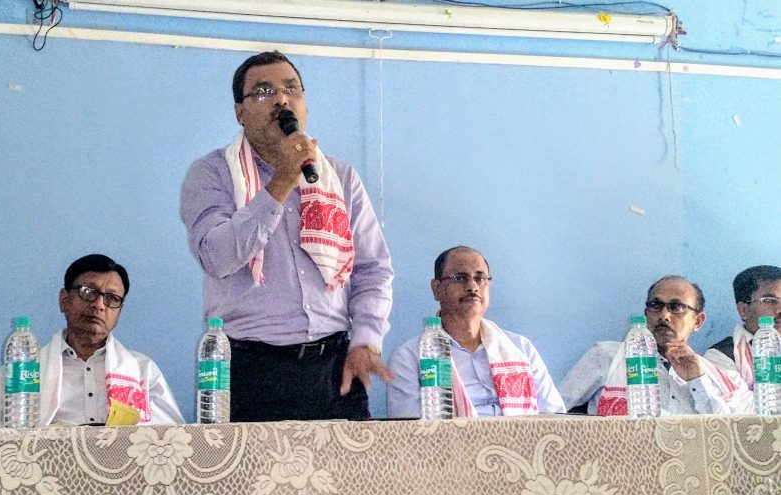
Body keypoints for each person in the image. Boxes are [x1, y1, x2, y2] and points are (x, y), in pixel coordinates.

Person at [179, 51, 394, 422]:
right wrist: (281, 181)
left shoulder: (339, 177)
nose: (281, 99)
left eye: (291, 89)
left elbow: (373, 269)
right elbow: (217, 256)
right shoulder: (212, 174)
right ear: (240, 112)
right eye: (264, 91)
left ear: (304, 104)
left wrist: (366, 340)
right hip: (251, 370)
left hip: (334, 369)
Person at [0, 254, 183, 427]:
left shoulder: (143, 371)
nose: (99, 305)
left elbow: (173, 442)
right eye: (88, 292)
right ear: (64, 300)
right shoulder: (21, 373)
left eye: (112, 298)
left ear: (120, 311)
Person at [387, 246, 564, 417]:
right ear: (437, 288)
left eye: (480, 278)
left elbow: (557, 419)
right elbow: (411, 432)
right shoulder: (409, 358)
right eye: (459, 278)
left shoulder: (521, 348)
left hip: (521, 437)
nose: (472, 287)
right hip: (452, 438)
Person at [561, 275, 752, 415]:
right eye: (655, 305)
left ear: (698, 321)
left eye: (677, 307)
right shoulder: (606, 356)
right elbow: (553, 415)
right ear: (646, 314)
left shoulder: (717, 376)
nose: (664, 315)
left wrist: (697, 380)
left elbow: (724, 434)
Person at [704, 265, 781, 390]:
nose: (780, 310)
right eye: (769, 301)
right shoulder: (721, 356)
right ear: (743, 310)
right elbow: (738, 402)